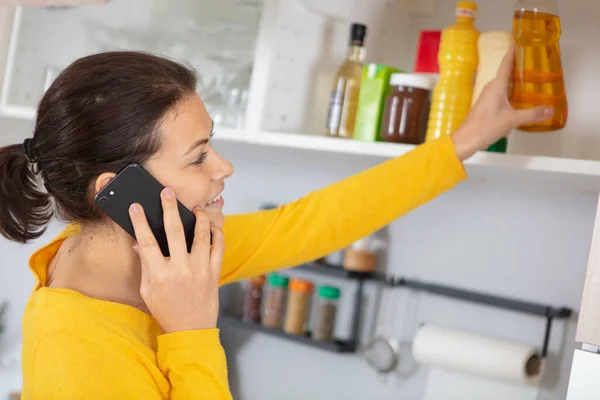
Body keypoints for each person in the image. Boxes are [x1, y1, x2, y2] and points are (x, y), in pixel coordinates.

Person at [0, 46, 551, 399]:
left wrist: (464, 142)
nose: (224, 168)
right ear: (118, 192)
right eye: (197, 157)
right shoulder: (78, 355)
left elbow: (309, 224)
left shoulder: (166, 254)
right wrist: (191, 332)